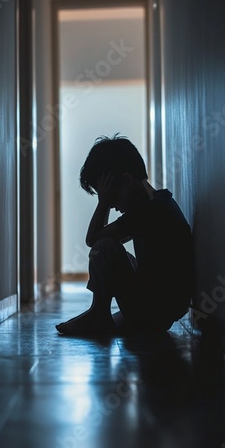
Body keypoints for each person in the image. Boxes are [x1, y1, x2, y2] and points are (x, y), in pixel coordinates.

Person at [56, 134, 194, 336]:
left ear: (127, 180)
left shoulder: (149, 211)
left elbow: (94, 239)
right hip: (162, 311)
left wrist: (102, 203)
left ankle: (98, 314)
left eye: (111, 197)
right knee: (110, 248)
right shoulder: (159, 202)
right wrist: (107, 198)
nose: (113, 205)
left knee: (103, 248)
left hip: (155, 313)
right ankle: (103, 317)